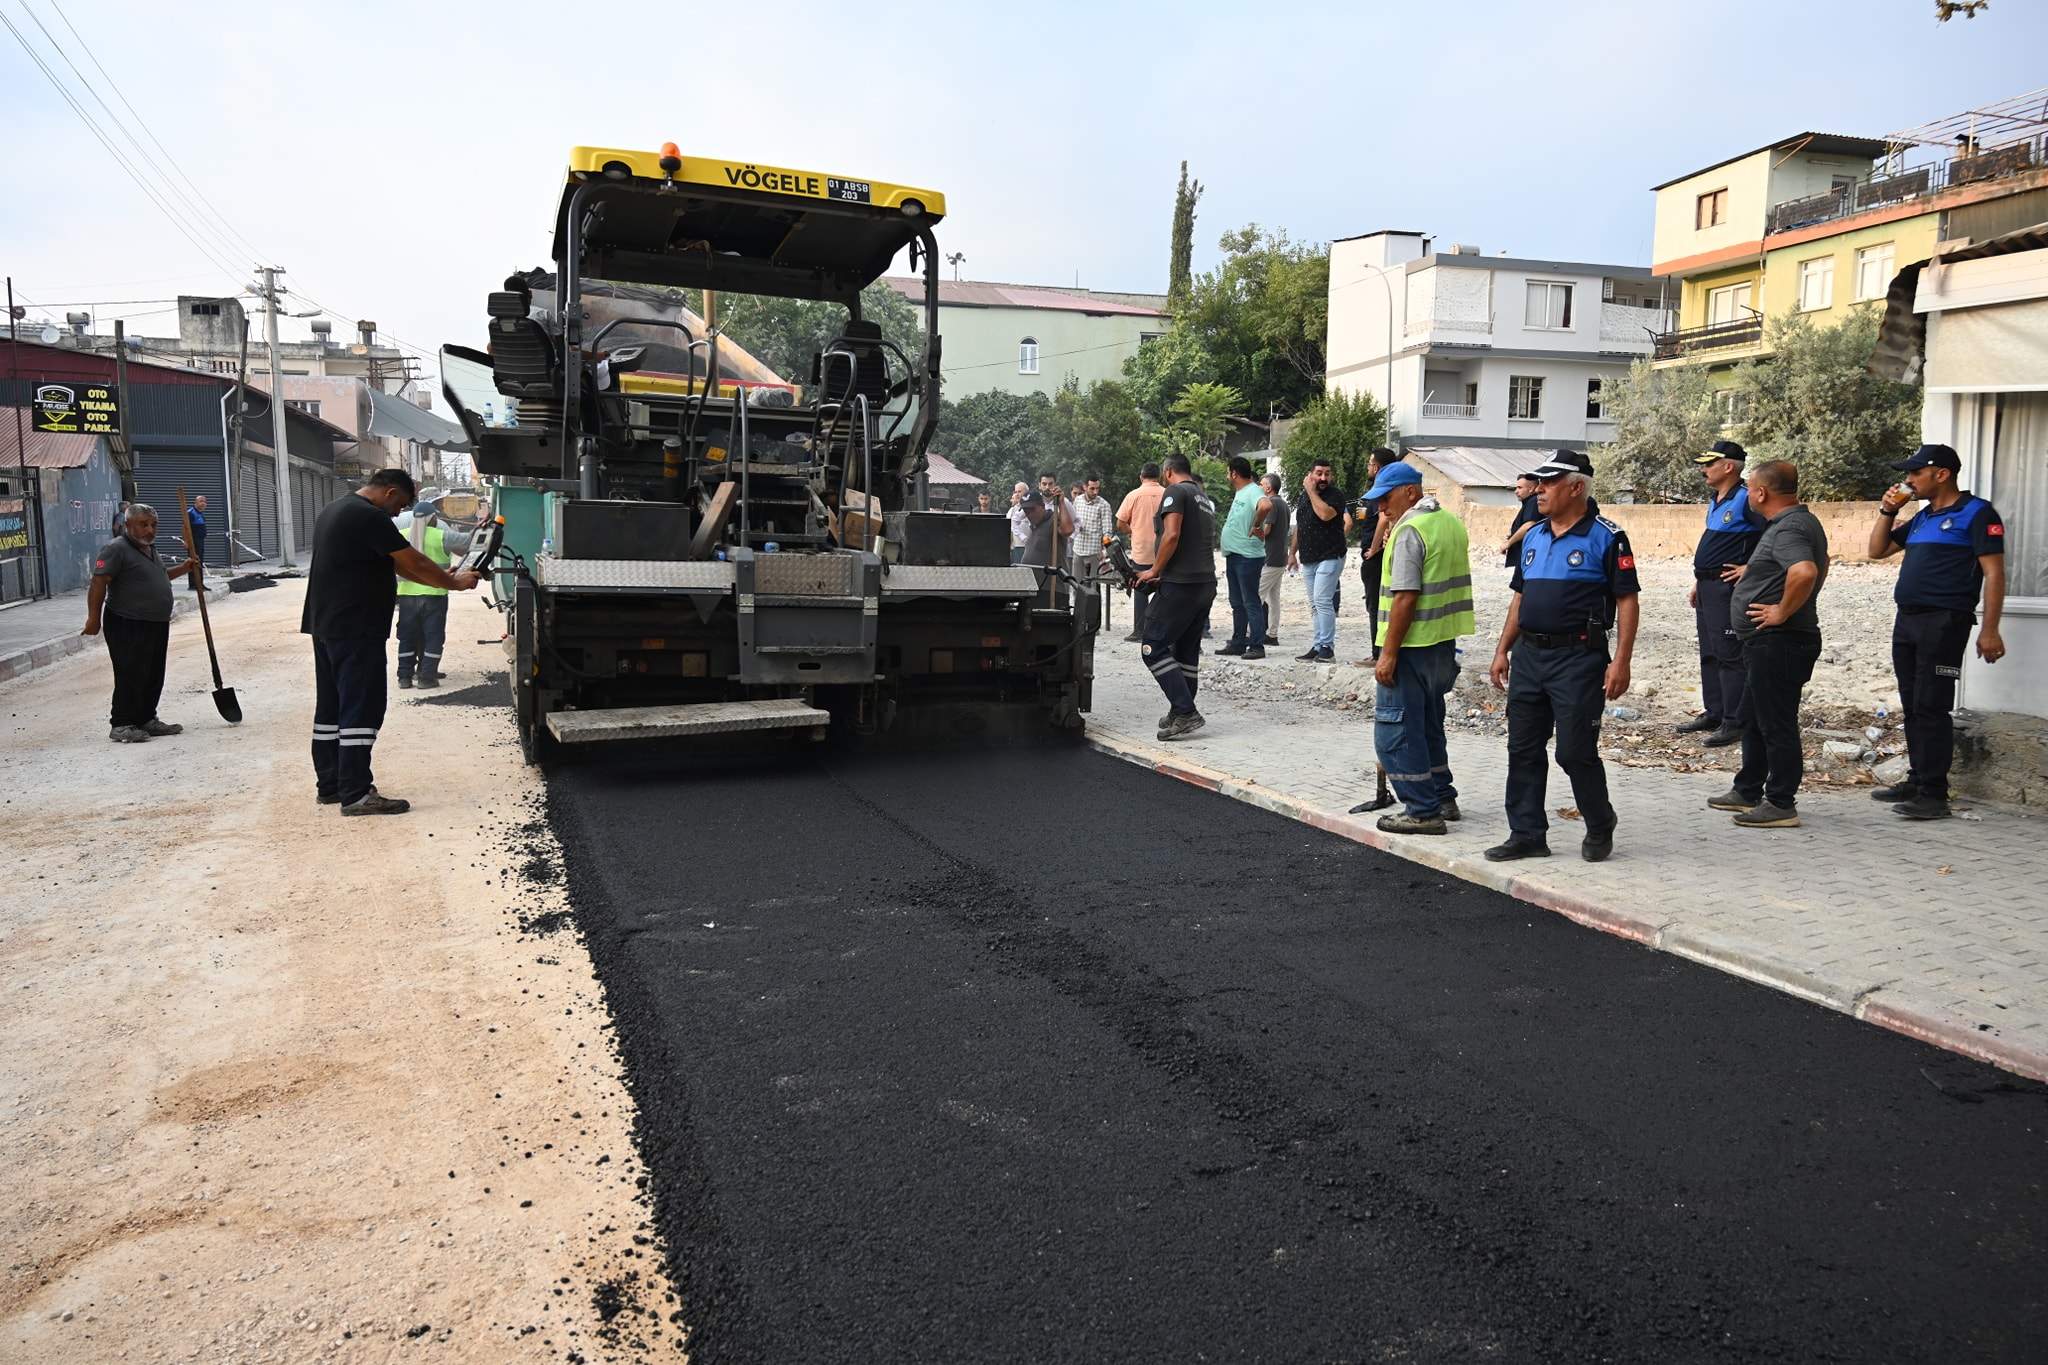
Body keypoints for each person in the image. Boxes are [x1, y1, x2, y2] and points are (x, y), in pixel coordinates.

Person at [1487, 450, 1640, 863]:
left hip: (1578, 659)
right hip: (1529, 656)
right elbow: (1520, 597)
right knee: (1523, 749)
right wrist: (1502, 649)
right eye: (1538, 481)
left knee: (1574, 751)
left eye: (1549, 482)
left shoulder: (1606, 536)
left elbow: (1627, 601)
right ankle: (1527, 833)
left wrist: (1621, 661)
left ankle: (1599, 821)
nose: (1539, 489)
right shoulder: (1533, 535)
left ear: (1576, 487)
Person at [304, 468, 480, 816]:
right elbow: (411, 558)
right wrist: (453, 583)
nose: (402, 511)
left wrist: (443, 580)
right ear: (389, 493)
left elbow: (397, 566)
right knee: (361, 707)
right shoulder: (369, 516)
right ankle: (355, 792)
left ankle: (332, 785)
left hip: (327, 626)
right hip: (356, 629)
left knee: (332, 708)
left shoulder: (336, 509)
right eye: (402, 503)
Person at [1866, 443, 2007, 821]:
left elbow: (1994, 573)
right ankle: (1918, 778)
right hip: (1908, 618)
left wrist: (1990, 629)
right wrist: (1887, 511)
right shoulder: (1925, 515)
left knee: (1932, 705)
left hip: (1945, 620)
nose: (1908, 480)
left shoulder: (1977, 513)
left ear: (1941, 474)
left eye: (1915, 473)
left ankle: (1934, 793)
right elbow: (1877, 551)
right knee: (1913, 703)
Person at [1711, 460, 1828, 828]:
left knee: (1776, 722)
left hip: (1779, 640)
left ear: (1761, 492)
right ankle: (1748, 790)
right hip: (1768, 642)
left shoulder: (1789, 527)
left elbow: (1805, 571)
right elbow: (1820, 564)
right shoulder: (1798, 522)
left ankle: (1780, 803)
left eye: (1749, 487)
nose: (1746, 494)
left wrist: (1782, 611)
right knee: (1752, 717)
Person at [1367, 462, 1476, 836]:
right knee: (1429, 724)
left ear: (1411, 492)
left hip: (1410, 647)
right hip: (1442, 645)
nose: (1381, 508)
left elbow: (1405, 598)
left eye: (1385, 499)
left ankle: (1422, 809)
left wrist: (1388, 653)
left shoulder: (1410, 530)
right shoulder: (1450, 524)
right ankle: (1443, 796)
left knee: (1395, 731)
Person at [80, 503, 201, 742]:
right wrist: (93, 618)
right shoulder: (116, 549)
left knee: (153, 673)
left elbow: (159, 577)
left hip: (154, 622)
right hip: (128, 622)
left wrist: (184, 568)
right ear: (127, 525)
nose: (149, 530)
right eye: (143, 525)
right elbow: (98, 581)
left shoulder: (149, 549)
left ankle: (146, 718)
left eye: (153, 525)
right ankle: (123, 724)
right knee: (131, 672)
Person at [1680, 439, 1766, 748]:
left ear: (1728, 466)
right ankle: (1715, 712)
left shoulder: (1746, 499)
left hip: (1728, 588)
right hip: (1707, 586)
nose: (1703, 469)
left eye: (1709, 464)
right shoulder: (1717, 499)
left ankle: (1735, 721)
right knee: (1710, 651)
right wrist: (1698, 581)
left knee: (1730, 654)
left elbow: (1773, 534)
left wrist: (1749, 568)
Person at [1134, 452, 1217, 740]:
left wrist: (1153, 569)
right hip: (1204, 584)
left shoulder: (1175, 491)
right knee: (1186, 650)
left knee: (1152, 645)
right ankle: (1181, 709)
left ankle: (1185, 712)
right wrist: (1162, 573)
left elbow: (1171, 535)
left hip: (1181, 585)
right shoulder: (1202, 498)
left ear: (1168, 471)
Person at [1294, 457, 1350, 662]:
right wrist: (1292, 553)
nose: (1323, 477)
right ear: (1310, 474)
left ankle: (1328, 647)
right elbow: (1301, 526)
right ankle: (1318, 646)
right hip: (1309, 557)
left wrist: (1311, 491)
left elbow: (1325, 514)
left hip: (1331, 555)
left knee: (1323, 601)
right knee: (1315, 604)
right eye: (1319, 473)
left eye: (1327, 473)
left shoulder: (1335, 495)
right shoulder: (1303, 497)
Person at [396, 498, 455, 689]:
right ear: (432, 518)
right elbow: (468, 543)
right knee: (433, 636)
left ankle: (404, 677)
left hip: (406, 597)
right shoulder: (441, 536)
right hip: (434, 596)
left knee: (407, 636)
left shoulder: (400, 536)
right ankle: (426, 677)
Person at [1353, 447, 1401, 664]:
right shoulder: (1392, 488)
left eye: (1370, 464)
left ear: (1377, 467)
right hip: (1383, 553)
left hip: (1377, 557)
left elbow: (1383, 519)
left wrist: (1373, 549)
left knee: (1376, 605)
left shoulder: (1382, 488)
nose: (1368, 468)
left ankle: (1378, 654)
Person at [1217, 456, 1268, 659]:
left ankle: (1257, 646)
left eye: (1228, 472)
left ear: (1234, 473)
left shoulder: (1253, 490)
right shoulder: (1242, 492)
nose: (1228, 475)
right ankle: (1238, 642)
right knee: (1237, 602)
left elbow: (1265, 506)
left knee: (1250, 601)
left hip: (1247, 556)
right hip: (1235, 555)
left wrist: (1256, 526)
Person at [1116, 462, 1167, 641]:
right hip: (1163, 551)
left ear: (1141, 477)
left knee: (1139, 588)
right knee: (1164, 589)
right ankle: (1161, 629)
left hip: (1141, 550)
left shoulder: (1133, 495)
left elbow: (1120, 522)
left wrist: (1134, 530)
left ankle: (1139, 630)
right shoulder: (1167, 494)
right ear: (1159, 477)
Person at [1253, 472, 1288, 648]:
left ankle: (1252, 633)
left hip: (1270, 557)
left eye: (1261, 484)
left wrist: (1254, 528)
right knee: (1273, 598)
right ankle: (1272, 633)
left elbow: (1266, 530)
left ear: (1268, 487)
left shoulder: (1272, 504)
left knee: (1256, 596)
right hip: (1280, 557)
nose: (1259, 486)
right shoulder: (1283, 503)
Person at [1070, 474, 1115, 590]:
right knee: (1076, 586)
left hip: (1093, 552)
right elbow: (1073, 520)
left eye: (1097, 488)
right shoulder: (1078, 501)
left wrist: (1105, 552)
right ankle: (1077, 608)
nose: (1095, 492)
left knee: (1092, 588)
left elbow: (1107, 531)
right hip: (1078, 550)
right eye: (1092, 488)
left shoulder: (1104, 505)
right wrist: (1076, 527)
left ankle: (1093, 608)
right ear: (1084, 487)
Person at [1499, 473, 1541, 569]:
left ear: (1531, 488)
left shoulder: (1533, 501)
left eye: (1519, 488)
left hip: (1528, 558)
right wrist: (1514, 534)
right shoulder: (1529, 503)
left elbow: (1529, 525)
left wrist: (1508, 543)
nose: (1516, 491)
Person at [1007, 482, 1031, 565]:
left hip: (1029, 546)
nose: (1017, 494)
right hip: (1016, 546)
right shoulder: (1013, 509)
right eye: (1015, 492)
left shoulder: (1032, 507)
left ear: (1027, 492)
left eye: (1019, 492)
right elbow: (1009, 528)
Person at [186, 494, 208, 573]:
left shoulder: (200, 514)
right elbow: (184, 527)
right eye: (201, 501)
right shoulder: (191, 513)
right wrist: (186, 542)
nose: (203, 503)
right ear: (195, 503)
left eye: (205, 502)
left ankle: (200, 584)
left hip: (200, 542)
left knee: (200, 562)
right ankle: (194, 584)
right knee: (194, 562)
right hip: (193, 542)